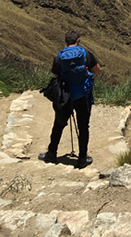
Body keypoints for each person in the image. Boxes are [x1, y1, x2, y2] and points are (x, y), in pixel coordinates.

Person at [38, 31, 100, 168]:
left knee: (59, 124)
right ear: (78, 40)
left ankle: (51, 153)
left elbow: (55, 76)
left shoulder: (60, 57)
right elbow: (97, 70)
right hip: (83, 95)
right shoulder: (85, 54)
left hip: (66, 96)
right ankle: (82, 158)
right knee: (83, 126)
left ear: (65, 41)